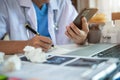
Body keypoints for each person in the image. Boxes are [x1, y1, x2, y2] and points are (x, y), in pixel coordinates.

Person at [0, 0, 89, 54]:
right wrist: (26, 45)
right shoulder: (6, 3)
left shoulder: (63, 3)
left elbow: (80, 37)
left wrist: (81, 38)